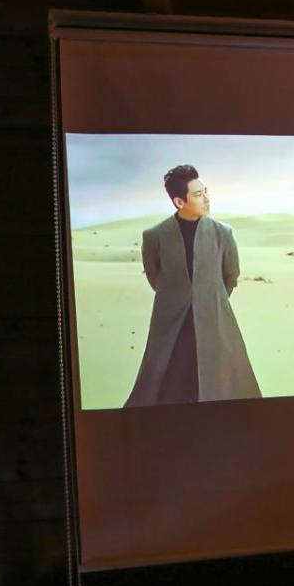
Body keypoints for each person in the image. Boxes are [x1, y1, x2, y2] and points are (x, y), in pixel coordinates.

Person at [125, 164, 260, 406]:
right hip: (171, 326)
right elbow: (155, 277)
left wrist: (208, 299)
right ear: (179, 202)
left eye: (206, 192)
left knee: (222, 388)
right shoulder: (154, 236)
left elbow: (230, 276)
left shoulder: (223, 233)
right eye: (198, 194)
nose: (206, 198)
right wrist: (178, 298)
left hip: (214, 322)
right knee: (165, 391)